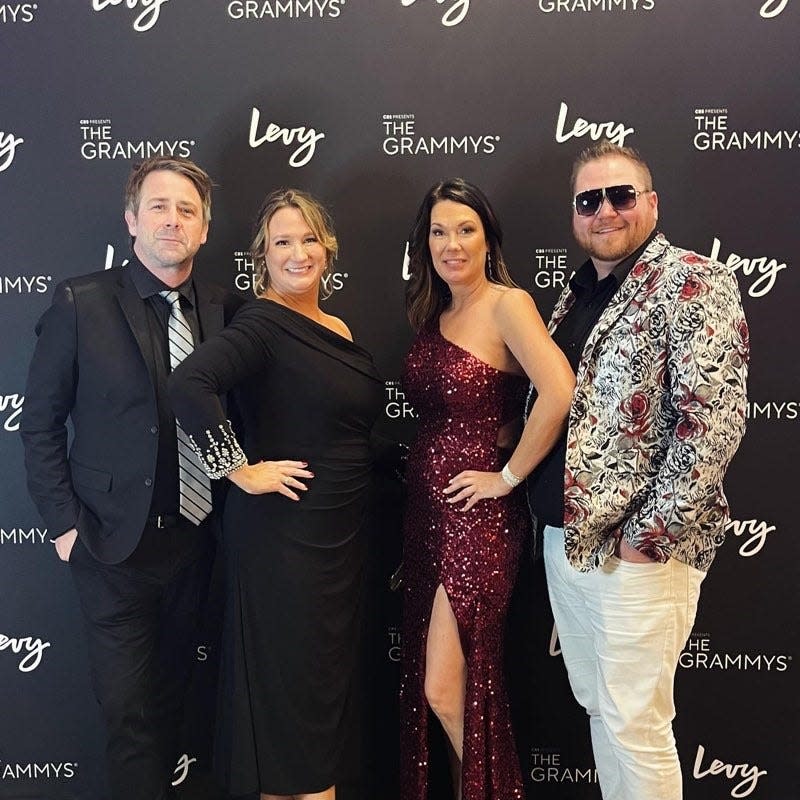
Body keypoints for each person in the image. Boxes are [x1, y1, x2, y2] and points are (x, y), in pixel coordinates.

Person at [526, 140, 749, 800]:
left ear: (651, 202)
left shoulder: (692, 281)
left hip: (636, 552)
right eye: (589, 199)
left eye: (621, 195)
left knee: (635, 721)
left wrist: (646, 537)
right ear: (574, 213)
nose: (605, 211)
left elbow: (713, 425)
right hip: (566, 539)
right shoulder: (577, 293)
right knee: (605, 707)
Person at [20, 156, 245, 800]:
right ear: (130, 221)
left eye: (187, 210)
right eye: (158, 207)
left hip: (201, 548)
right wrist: (65, 529)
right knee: (130, 717)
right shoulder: (79, 301)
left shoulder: (228, 309)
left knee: (179, 712)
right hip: (110, 550)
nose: (172, 220)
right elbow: (39, 426)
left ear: (204, 229)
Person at [167, 188, 382, 800]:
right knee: (287, 708)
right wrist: (236, 467)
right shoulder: (262, 323)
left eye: (308, 239)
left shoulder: (336, 326)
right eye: (282, 242)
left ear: (327, 248)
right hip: (282, 545)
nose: (297, 253)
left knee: (320, 703)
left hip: (338, 541)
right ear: (262, 255)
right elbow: (191, 383)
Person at [398, 178, 575, 800]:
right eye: (439, 231)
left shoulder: (507, 304)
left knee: (445, 689)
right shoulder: (436, 311)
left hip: (478, 522)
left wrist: (507, 476)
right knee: (447, 689)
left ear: (487, 238)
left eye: (465, 229)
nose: (451, 243)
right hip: (426, 516)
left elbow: (558, 392)